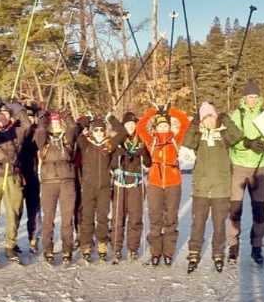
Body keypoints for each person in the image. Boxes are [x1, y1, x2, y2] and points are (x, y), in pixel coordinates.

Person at [182, 101, 243, 273]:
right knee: (198, 223)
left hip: (221, 189)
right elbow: (187, 142)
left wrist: (226, 119)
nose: (209, 121)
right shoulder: (198, 137)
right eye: (205, 118)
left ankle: (218, 253)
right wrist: (194, 123)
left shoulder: (223, 135)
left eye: (212, 117)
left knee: (219, 224)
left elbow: (238, 136)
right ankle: (194, 252)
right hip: (201, 189)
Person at [227, 80, 264, 265]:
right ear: (244, 97)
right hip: (239, 167)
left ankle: (256, 248)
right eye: (250, 96)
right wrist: (248, 143)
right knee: (235, 210)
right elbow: (232, 139)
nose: (252, 100)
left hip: (259, 169)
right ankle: (233, 247)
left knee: (259, 212)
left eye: (255, 96)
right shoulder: (237, 115)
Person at [136, 104, 190, 266]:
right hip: (155, 183)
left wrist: (169, 110)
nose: (163, 128)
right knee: (155, 218)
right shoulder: (151, 141)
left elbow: (184, 122)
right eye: (160, 125)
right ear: (156, 127)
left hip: (173, 183)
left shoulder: (175, 139)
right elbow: (140, 127)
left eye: (165, 124)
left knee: (171, 219)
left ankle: (168, 252)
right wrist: (154, 112)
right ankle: (155, 252)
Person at [0, 97, 32, 267]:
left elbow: (27, 123)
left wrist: (12, 105)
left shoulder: (17, 131)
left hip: (13, 177)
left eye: (6, 114)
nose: (3, 117)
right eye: (0, 114)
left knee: (13, 212)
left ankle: (10, 245)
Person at [76, 114, 127, 263]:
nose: (98, 132)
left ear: (104, 131)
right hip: (88, 187)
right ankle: (86, 244)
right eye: (96, 129)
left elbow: (122, 132)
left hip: (104, 187)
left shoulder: (109, 144)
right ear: (92, 131)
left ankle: (102, 244)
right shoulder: (85, 143)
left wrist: (111, 117)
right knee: (87, 217)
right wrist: (87, 120)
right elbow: (75, 131)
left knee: (103, 218)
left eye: (101, 130)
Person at [33, 110, 78, 265]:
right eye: (53, 121)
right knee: (48, 218)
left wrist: (67, 116)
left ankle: (67, 249)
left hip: (67, 181)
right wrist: (42, 119)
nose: (55, 123)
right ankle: (48, 249)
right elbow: (39, 131)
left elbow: (73, 127)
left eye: (57, 121)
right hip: (49, 182)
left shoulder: (67, 137)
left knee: (67, 218)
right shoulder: (44, 139)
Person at [109, 111, 152, 264]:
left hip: (136, 183)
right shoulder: (119, 139)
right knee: (118, 218)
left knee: (135, 217)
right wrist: (118, 158)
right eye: (128, 124)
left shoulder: (141, 140)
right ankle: (117, 248)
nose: (131, 127)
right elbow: (110, 159)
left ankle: (133, 248)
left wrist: (144, 154)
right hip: (120, 183)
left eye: (133, 124)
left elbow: (148, 163)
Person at [19, 101, 42, 254]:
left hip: (33, 176)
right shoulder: (17, 131)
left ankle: (33, 238)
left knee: (34, 210)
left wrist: (39, 112)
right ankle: (11, 241)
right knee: (15, 210)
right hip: (17, 175)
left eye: (32, 117)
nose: (30, 119)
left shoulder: (38, 132)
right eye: (27, 116)